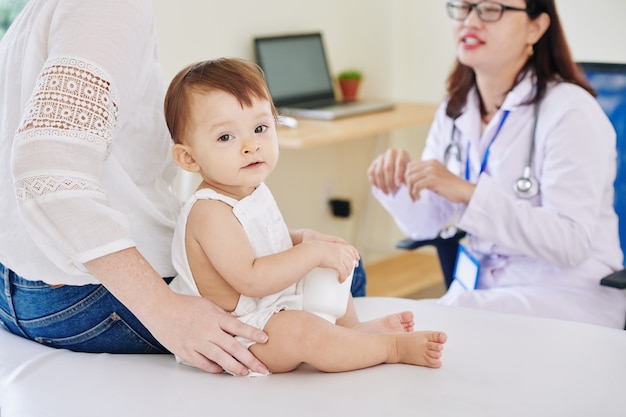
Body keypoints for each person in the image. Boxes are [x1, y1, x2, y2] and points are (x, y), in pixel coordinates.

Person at [0, 0, 284, 377]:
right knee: (343, 275)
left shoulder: (30, 18)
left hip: (15, 292)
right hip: (83, 293)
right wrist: (164, 311)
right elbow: (46, 163)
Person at [164, 58, 447, 374]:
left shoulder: (251, 189)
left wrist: (306, 239)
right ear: (188, 157)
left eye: (260, 128)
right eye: (226, 137)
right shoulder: (209, 211)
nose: (251, 146)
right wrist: (309, 253)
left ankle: (351, 331)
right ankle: (389, 347)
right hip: (241, 331)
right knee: (303, 332)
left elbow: (270, 238)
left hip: (272, 303)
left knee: (333, 259)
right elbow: (251, 277)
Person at [367, 0, 626, 329]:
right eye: (463, 7)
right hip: (488, 292)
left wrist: (468, 193)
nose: (470, 21)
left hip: (570, 296)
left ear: (536, 27)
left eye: (491, 9)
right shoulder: (456, 108)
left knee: (418, 330)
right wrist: (396, 184)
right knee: (395, 327)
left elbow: (571, 243)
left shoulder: (571, 112)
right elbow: (428, 225)